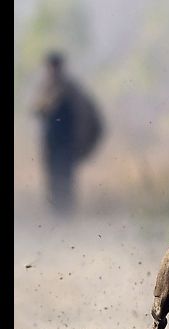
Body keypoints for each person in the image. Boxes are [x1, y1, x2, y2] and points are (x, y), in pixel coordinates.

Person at [33, 51, 103, 215]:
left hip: (66, 145)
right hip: (51, 145)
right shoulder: (46, 88)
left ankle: (66, 216)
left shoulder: (70, 89)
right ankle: (56, 215)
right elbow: (37, 110)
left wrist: (82, 144)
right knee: (52, 181)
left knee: (65, 181)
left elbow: (83, 117)